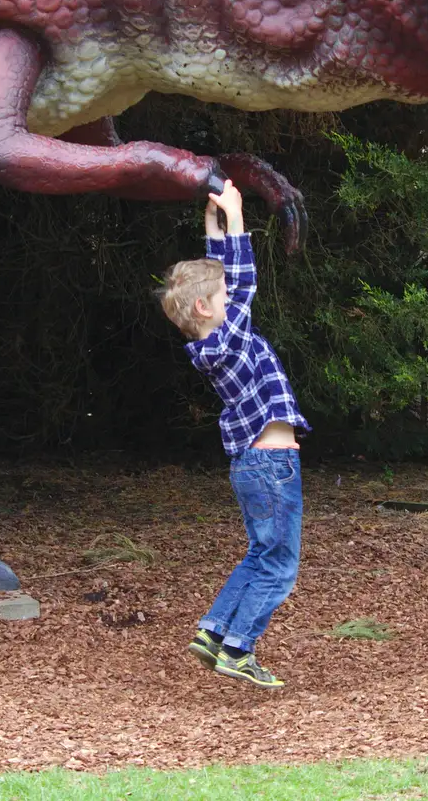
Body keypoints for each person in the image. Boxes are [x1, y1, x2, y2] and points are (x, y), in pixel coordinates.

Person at [158, 179, 308, 689]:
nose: (232, 297)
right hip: (273, 467)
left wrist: (212, 232)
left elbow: (228, 284)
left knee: (258, 554)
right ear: (206, 309)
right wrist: (238, 220)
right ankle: (238, 648)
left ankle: (213, 629)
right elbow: (244, 282)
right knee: (280, 565)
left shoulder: (212, 342)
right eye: (221, 296)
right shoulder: (230, 336)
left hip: (252, 465)